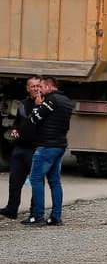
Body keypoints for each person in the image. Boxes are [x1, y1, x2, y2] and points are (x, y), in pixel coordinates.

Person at [23, 76, 73, 226]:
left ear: (49, 86)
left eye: (41, 87)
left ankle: (37, 216)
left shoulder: (51, 100)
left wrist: (37, 106)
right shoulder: (67, 101)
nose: (39, 90)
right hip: (60, 145)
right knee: (55, 181)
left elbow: (34, 119)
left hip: (47, 146)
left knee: (36, 179)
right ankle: (56, 217)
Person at [1, 76, 40, 220]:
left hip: (36, 149)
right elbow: (18, 122)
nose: (36, 89)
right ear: (27, 88)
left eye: (38, 86)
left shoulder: (45, 105)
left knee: (36, 182)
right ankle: (11, 209)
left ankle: (35, 211)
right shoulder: (22, 104)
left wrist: (38, 106)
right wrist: (14, 130)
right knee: (15, 180)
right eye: (33, 86)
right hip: (20, 148)